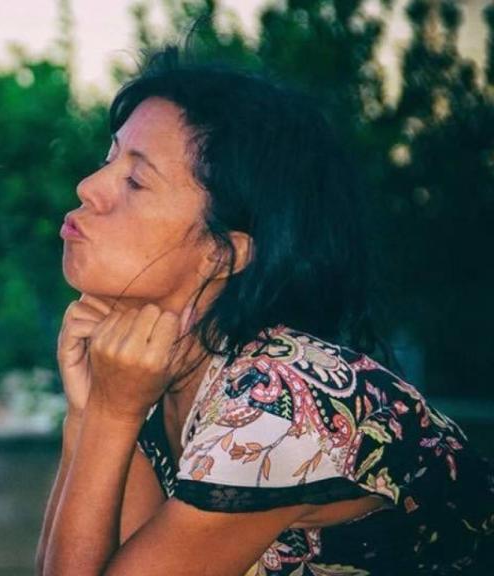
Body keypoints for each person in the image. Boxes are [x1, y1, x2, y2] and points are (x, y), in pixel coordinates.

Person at [35, 46, 493, 575]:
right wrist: (91, 412)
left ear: (221, 254)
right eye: (108, 160)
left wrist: (111, 415)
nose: (88, 188)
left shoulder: (278, 401)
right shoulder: (161, 373)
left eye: (135, 181)